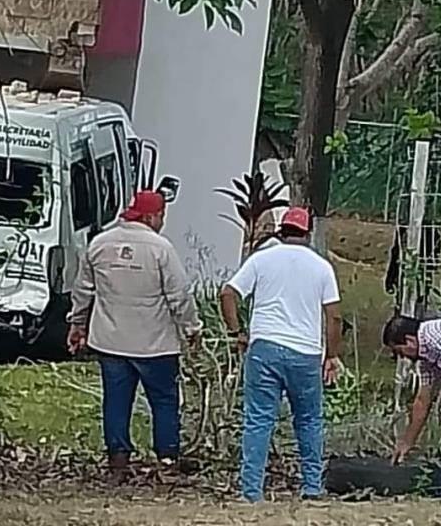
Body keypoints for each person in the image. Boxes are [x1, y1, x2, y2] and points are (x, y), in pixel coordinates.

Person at [66, 190, 202, 479]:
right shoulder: (160, 249)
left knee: (116, 400)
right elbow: (179, 296)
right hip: (155, 344)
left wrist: (78, 325)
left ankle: (118, 460)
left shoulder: (99, 244)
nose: (162, 222)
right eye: (162, 216)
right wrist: (192, 328)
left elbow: (83, 290)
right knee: (164, 401)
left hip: (111, 341)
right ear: (152, 216)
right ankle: (166, 459)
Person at [220, 207, 343, 503]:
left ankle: (251, 491)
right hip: (305, 353)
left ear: (281, 231)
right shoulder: (321, 267)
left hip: (264, 348)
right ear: (307, 233)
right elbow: (334, 317)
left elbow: (228, 293)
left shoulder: (261, 259)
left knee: (258, 419)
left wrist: (237, 332)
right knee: (309, 420)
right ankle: (312, 487)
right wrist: (331, 355)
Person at [384, 314, 441, 498]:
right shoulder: (426, 360)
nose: (402, 357)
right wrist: (406, 442)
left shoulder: (433, 335)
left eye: (400, 351)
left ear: (410, 340)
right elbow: (422, 401)